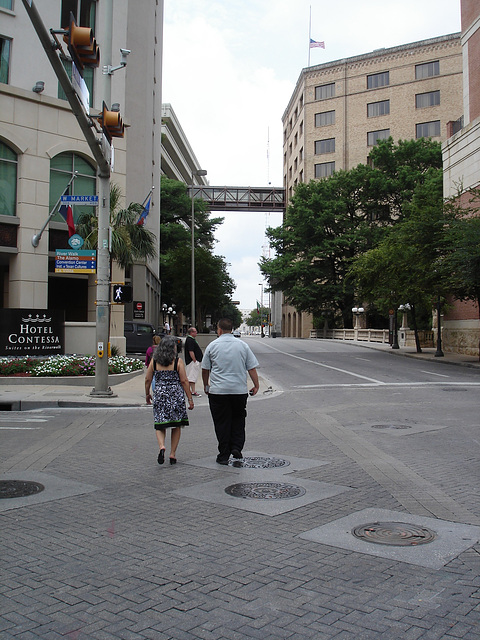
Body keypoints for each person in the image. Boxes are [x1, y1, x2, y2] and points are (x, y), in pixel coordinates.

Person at [201, 318, 259, 465]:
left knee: (221, 422)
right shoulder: (243, 346)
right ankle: (237, 446)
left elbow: (205, 369)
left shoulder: (212, 346)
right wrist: (256, 385)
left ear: (219, 330)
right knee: (238, 419)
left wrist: (206, 385)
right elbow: (251, 367)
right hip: (238, 391)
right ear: (232, 329)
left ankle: (223, 454)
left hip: (218, 391)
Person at [145, 336, 194, 465]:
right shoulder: (177, 361)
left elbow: (148, 379)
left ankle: (162, 446)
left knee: (160, 423)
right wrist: (190, 398)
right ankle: (172, 454)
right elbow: (184, 381)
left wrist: (147, 394)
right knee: (176, 424)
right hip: (175, 395)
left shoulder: (154, 361)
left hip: (160, 394)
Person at [184, 327, 203, 397]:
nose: (196, 333)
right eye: (195, 331)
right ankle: (190, 391)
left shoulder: (191, 340)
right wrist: (194, 360)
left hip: (193, 361)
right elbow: (191, 351)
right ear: (191, 332)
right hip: (192, 361)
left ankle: (192, 390)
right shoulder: (190, 340)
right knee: (191, 377)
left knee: (193, 377)